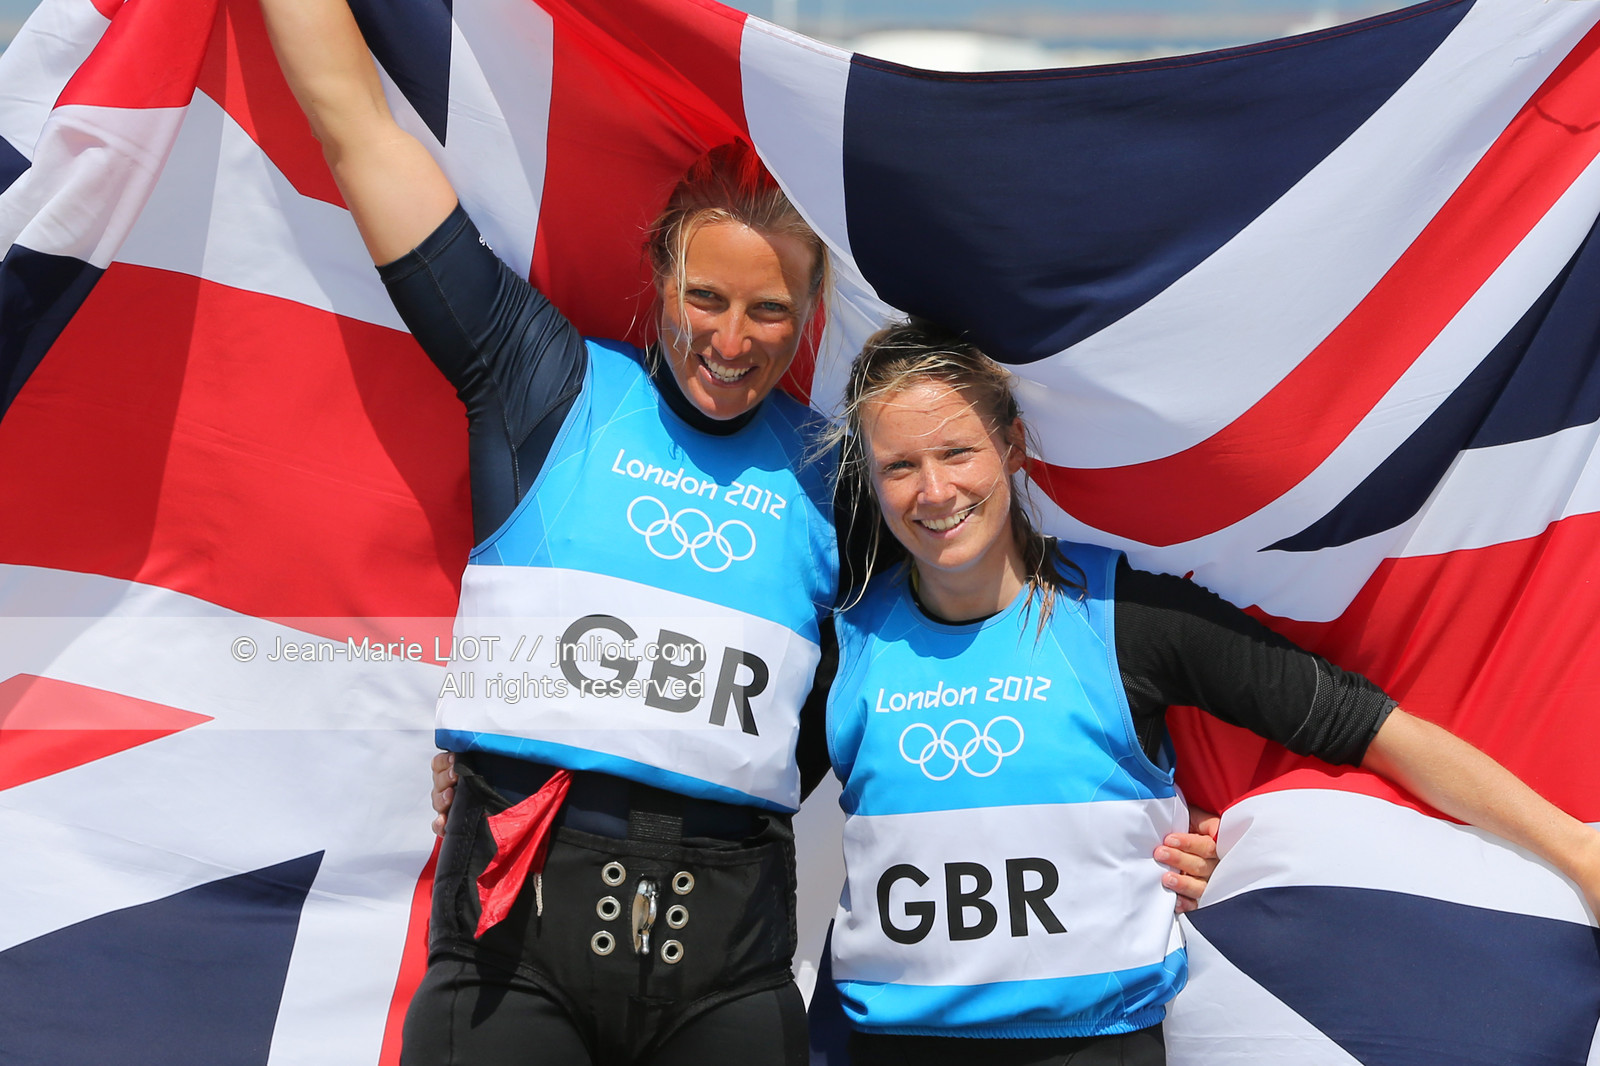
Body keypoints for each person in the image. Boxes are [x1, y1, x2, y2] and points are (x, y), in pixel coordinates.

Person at [822, 319, 1600, 1066]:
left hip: (1091, 1047)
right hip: (890, 1045)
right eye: (898, 466)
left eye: (957, 452)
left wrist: (1577, 848)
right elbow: (739, 798)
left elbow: (1367, 725)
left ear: (1013, 447)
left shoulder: (1124, 618)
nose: (934, 491)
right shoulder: (849, 635)